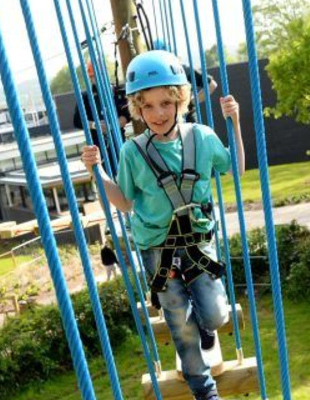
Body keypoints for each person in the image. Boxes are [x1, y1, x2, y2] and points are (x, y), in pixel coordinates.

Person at [81, 50, 244, 400]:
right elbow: (124, 201)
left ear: (181, 100)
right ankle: (204, 388)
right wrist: (97, 172)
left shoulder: (201, 137)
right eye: (148, 106)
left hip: (198, 243)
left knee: (215, 316)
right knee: (179, 323)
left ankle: (205, 324)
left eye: (166, 103)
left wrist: (235, 123)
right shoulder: (133, 152)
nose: (157, 114)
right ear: (137, 108)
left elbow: (237, 169)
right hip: (157, 247)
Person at [73, 61, 131, 176]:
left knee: (125, 174)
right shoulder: (85, 97)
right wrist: (95, 125)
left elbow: (128, 114)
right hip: (98, 149)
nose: (97, 79)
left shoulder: (118, 92)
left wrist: (113, 125)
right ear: (91, 78)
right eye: (94, 77)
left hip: (118, 143)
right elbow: (77, 121)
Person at [152, 39, 218, 123]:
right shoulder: (155, 75)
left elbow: (212, 85)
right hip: (166, 120)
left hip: (187, 118)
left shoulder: (182, 69)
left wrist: (191, 102)